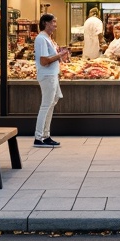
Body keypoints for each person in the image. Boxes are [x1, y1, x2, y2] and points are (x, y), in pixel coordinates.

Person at [34, 12, 68, 147]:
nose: (55, 25)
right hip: (47, 75)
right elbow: (44, 61)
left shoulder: (48, 38)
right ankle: (38, 137)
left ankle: (46, 135)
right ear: (45, 23)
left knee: (51, 104)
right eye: (53, 22)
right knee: (45, 105)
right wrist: (59, 55)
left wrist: (60, 55)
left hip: (53, 75)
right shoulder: (41, 39)